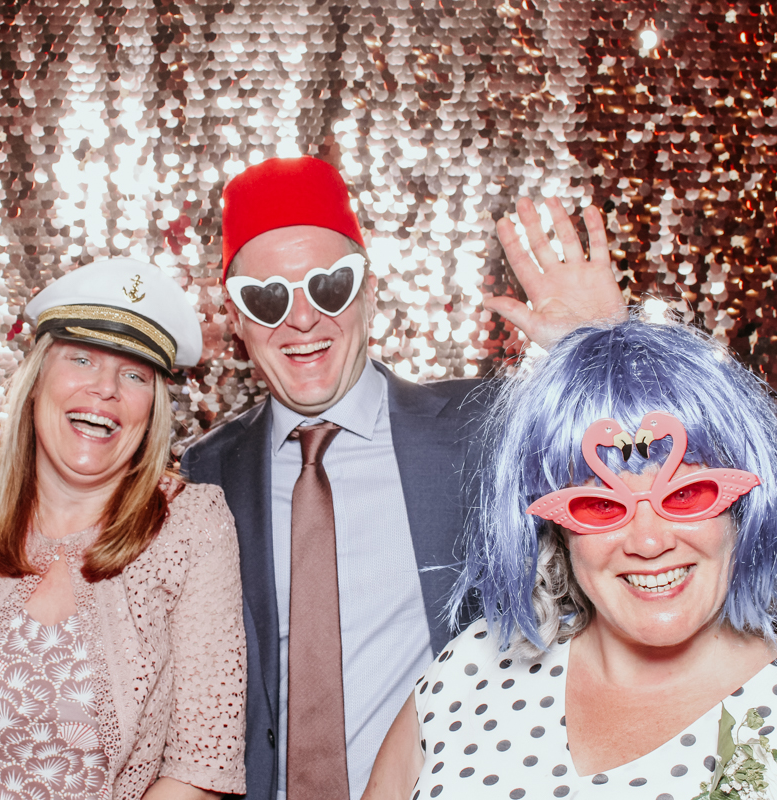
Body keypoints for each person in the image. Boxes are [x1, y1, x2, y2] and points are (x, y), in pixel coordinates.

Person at [180, 155, 627, 800]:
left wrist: (605, 350)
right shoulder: (206, 472)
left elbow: (644, 487)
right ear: (237, 318)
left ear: (366, 291)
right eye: (269, 298)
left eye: (329, 286)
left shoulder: (485, 426)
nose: (303, 320)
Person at [363, 319, 777, 799]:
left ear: (741, 510)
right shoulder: (471, 668)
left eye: (687, 495)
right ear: (558, 529)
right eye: (602, 505)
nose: (648, 542)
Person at [0, 258, 247, 800]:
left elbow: (202, 763)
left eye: (134, 373)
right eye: (82, 359)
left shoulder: (193, 525)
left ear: (153, 406)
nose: (106, 389)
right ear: (38, 377)